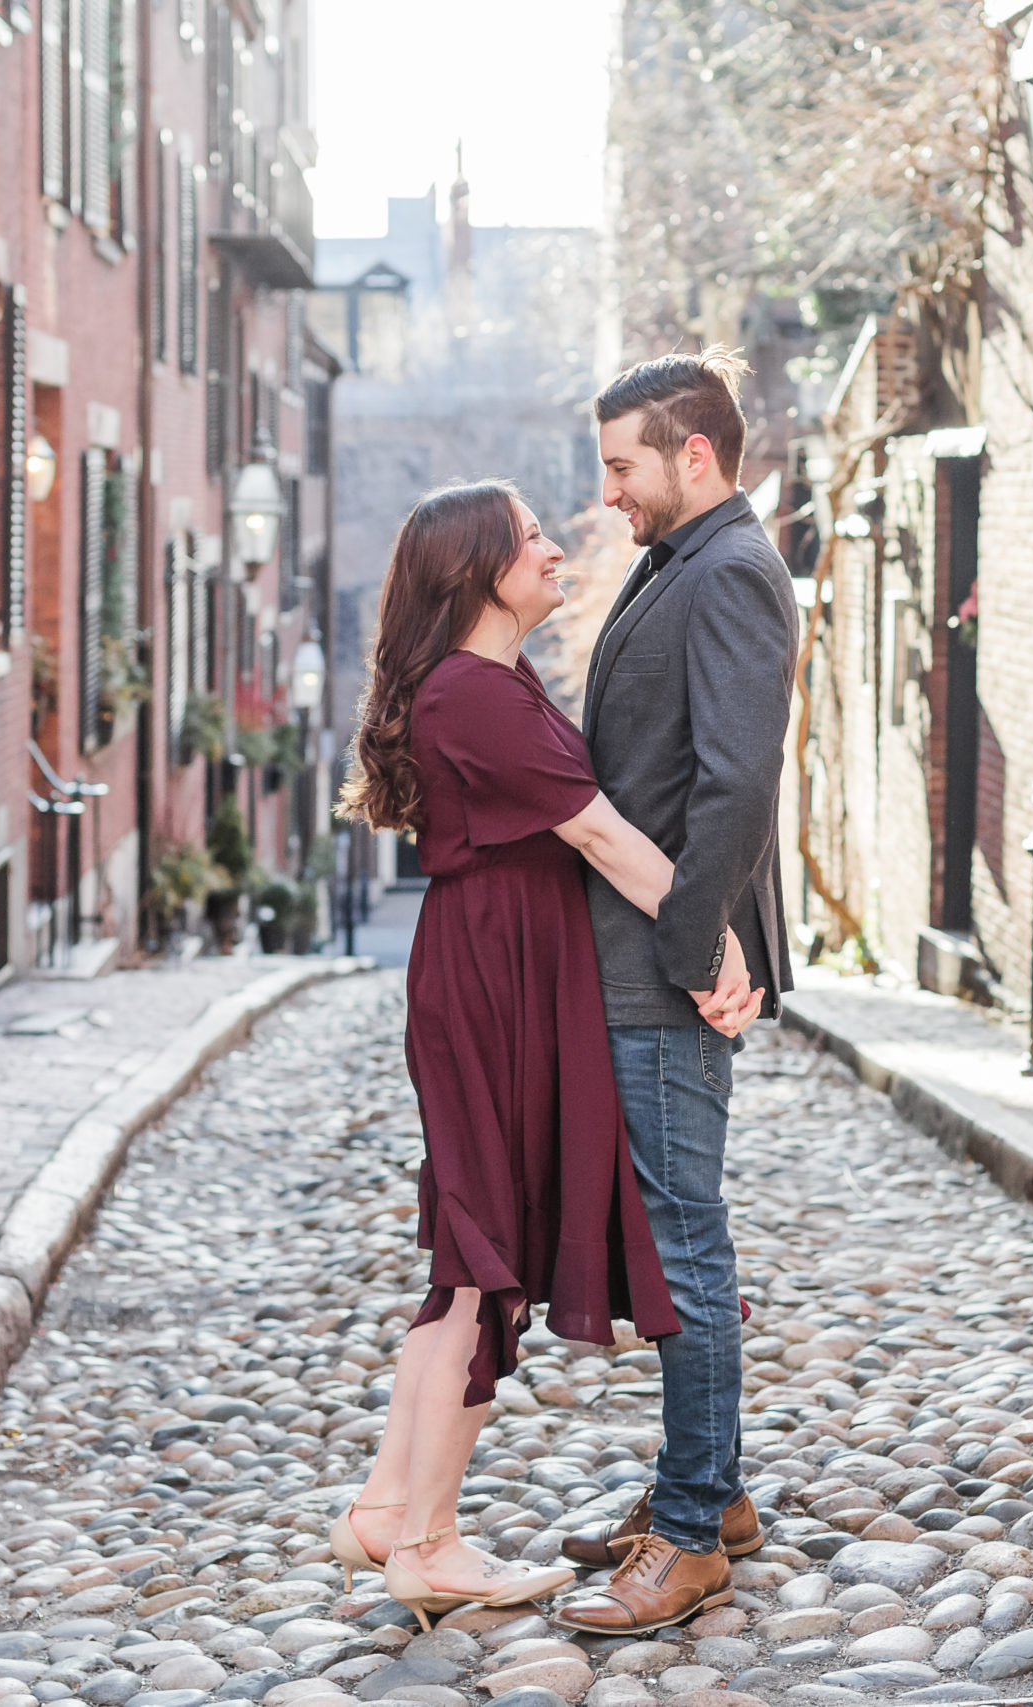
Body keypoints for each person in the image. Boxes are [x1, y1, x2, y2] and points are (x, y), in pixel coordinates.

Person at [330, 480, 760, 1630]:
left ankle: (387, 1509)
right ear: (477, 571)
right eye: (531, 542)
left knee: (468, 1255)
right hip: (497, 977)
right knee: (487, 1248)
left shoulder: (478, 684)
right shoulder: (478, 693)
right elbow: (603, 834)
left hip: (491, 965)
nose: (557, 551)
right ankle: (428, 1542)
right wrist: (714, 950)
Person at [549, 349, 798, 1636]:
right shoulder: (682, 562)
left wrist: (698, 952)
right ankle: (710, 1494)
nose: (608, 494)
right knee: (668, 1240)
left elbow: (736, 786)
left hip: (667, 974)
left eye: (622, 465)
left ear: (692, 454)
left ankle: (694, 1531)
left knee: (684, 1246)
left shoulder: (734, 573)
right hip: (640, 962)